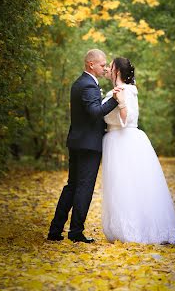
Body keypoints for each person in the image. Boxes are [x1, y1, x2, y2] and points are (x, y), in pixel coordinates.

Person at [101, 57, 175, 245]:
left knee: (127, 185)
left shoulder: (124, 91)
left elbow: (126, 117)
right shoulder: (125, 89)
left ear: (118, 71)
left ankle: (135, 229)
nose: (108, 69)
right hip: (119, 139)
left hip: (122, 140)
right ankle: (125, 226)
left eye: (110, 67)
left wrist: (120, 102)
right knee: (123, 186)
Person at [47, 49, 120, 243]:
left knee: (72, 186)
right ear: (91, 65)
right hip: (89, 145)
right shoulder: (88, 85)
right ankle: (76, 232)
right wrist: (114, 100)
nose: (105, 68)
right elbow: (95, 112)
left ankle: (55, 231)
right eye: (102, 65)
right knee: (84, 188)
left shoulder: (79, 83)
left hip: (77, 142)